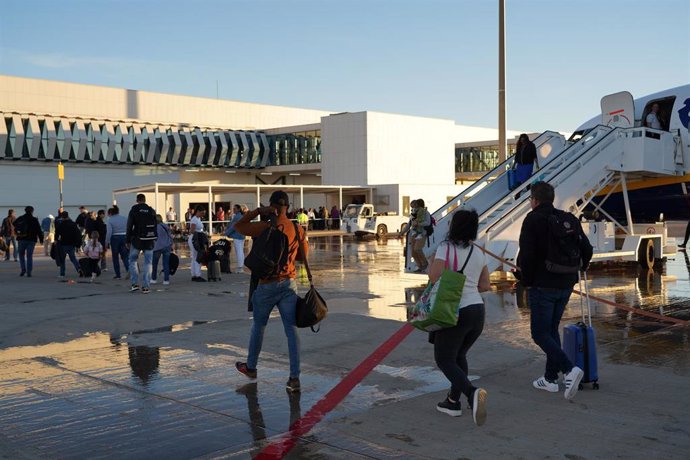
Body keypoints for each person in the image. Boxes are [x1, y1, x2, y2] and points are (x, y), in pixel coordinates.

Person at [517, 181, 593, 400]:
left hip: (543, 284)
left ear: (535, 200)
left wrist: (527, 280)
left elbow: (528, 255)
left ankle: (570, 370)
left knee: (539, 333)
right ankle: (550, 379)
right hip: (566, 283)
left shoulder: (533, 219)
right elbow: (586, 248)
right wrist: (580, 269)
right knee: (550, 330)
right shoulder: (567, 218)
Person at [234, 190, 309, 393]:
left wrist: (259, 210)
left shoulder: (265, 227)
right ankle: (294, 377)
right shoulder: (297, 229)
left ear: (273, 207)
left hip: (266, 285)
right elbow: (303, 256)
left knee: (259, 327)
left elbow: (238, 227)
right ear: (288, 207)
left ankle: (251, 368)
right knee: (291, 331)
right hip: (288, 285)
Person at [428, 209, 490, 426]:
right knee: (459, 355)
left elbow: (434, 276)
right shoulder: (479, 253)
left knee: (444, 359)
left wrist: (431, 261)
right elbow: (485, 285)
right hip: (477, 311)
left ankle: (471, 393)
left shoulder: (445, 248)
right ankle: (453, 401)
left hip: (455, 311)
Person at [126, 194, 158, 293]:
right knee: (148, 262)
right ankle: (146, 286)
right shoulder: (151, 210)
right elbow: (155, 225)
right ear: (145, 200)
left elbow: (129, 225)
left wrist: (127, 240)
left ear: (137, 200)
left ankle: (135, 283)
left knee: (133, 260)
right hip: (149, 240)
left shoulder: (134, 209)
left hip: (137, 240)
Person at [15, 206, 44, 277]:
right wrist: (41, 239)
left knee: (21, 255)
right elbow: (39, 230)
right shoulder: (34, 220)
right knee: (29, 256)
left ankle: (23, 269)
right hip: (31, 240)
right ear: (32, 211)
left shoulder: (21, 218)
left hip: (21, 239)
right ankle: (29, 272)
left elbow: (14, 223)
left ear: (25, 211)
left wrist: (18, 231)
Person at [54, 211, 82, 278]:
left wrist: (56, 240)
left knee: (62, 259)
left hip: (63, 243)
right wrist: (78, 244)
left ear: (62, 217)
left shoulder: (60, 224)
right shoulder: (73, 224)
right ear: (68, 216)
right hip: (71, 244)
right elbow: (77, 234)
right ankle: (79, 269)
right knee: (73, 258)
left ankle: (62, 273)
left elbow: (57, 233)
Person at [106, 206, 129, 279]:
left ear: (111, 213)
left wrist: (106, 242)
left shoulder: (110, 220)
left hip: (115, 238)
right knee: (125, 256)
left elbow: (109, 232)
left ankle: (118, 275)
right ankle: (128, 269)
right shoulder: (124, 218)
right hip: (124, 237)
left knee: (115, 257)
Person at [151, 214, 173, 285]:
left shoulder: (154, 227)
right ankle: (166, 280)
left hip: (157, 247)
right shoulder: (165, 226)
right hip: (167, 246)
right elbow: (170, 236)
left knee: (154, 264)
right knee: (166, 264)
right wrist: (170, 244)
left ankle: (153, 279)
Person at [411, 199, 431, 272]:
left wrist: (418, 224)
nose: (414, 207)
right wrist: (402, 232)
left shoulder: (426, 213)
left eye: (416, 205)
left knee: (417, 249)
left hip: (422, 233)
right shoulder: (414, 213)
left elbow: (428, 223)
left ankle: (425, 263)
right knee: (413, 252)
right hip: (414, 233)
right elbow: (410, 223)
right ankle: (420, 266)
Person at [225, 204, 246, 273]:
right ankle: (241, 266)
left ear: (239, 209)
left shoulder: (237, 217)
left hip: (237, 236)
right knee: (241, 252)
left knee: (239, 251)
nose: (233, 210)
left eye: (235, 209)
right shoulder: (241, 216)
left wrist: (227, 233)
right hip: (242, 235)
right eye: (233, 209)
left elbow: (233, 227)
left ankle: (240, 267)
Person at [188, 205, 207, 282]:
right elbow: (191, 230)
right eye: (202, 213)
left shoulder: (197, 218)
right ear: (198, 211)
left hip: (196, 238)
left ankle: (194, 274)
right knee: (197, 257)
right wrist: (201, 234)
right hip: (195, 239)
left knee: (195, 257)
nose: (203, 215)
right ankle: (197, 275)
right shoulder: (194, 219)